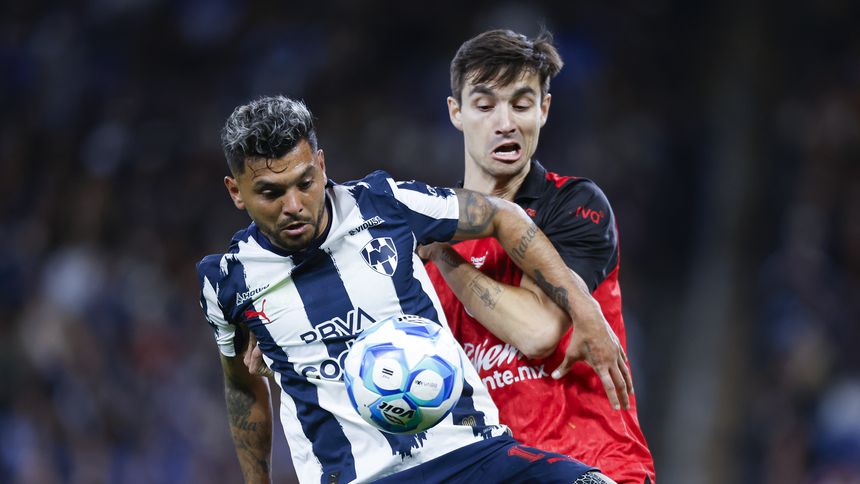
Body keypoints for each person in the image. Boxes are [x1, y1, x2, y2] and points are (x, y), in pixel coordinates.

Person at [197, 95, 626, 483]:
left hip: (473, 454)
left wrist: (584, 308)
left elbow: (503, 216)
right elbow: (242, 388)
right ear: (236, 191)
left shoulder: (384, 204)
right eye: (270, 193)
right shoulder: (228, 282)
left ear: (322, 165)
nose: (293, 205)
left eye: (305, 183)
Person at [419, 30, 656, 483]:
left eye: (521, 104)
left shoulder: (573, 205)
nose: (505, 122)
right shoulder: (425, 245)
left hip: (594, 466)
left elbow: (538, 331)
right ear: (456, 112)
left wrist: (445, 258)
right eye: (485, 106)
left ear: (544, 109)